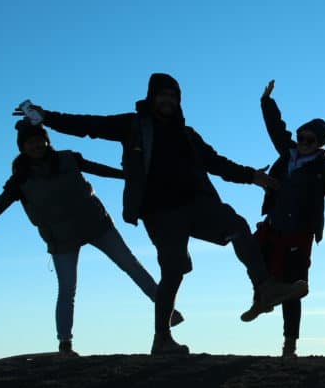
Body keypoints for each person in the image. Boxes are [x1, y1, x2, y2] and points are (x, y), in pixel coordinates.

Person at [17, 73, 309, 355]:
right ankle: (162, 338)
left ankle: (264, 288)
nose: (168, 100)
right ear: (152, 97)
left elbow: (216, 163)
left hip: (197, 203)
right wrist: (48, 117)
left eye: (173, 96)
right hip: (159, 212)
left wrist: (253, 177)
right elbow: (89, 126)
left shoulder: (187, 134)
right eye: (163, 95)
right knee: (173, 270)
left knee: (237, 225)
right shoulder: (133, 125)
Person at [0, 120, 178, 357]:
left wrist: (131, 177)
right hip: (61, 238)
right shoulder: (20, 180)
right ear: (22, 148)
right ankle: (65, 343)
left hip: (96, 224)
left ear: (47, 141)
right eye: (30, 142)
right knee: (67, 289)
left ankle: (166, 311)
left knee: (130, 264)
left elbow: (100, 169)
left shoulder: (68, 159)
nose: (35, 145)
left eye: (39, 140)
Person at [241, 80, 325, 357]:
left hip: (299, 232)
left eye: (309, 140)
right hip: (275, 224)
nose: (302, 143)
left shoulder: (323, 170)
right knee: (255, 255)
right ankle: (260, 300)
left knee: (294, 287)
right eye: (301, 137)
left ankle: (290, 344)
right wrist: (267, 101)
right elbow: (276, 128)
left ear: (319, 144)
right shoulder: (287, 153)